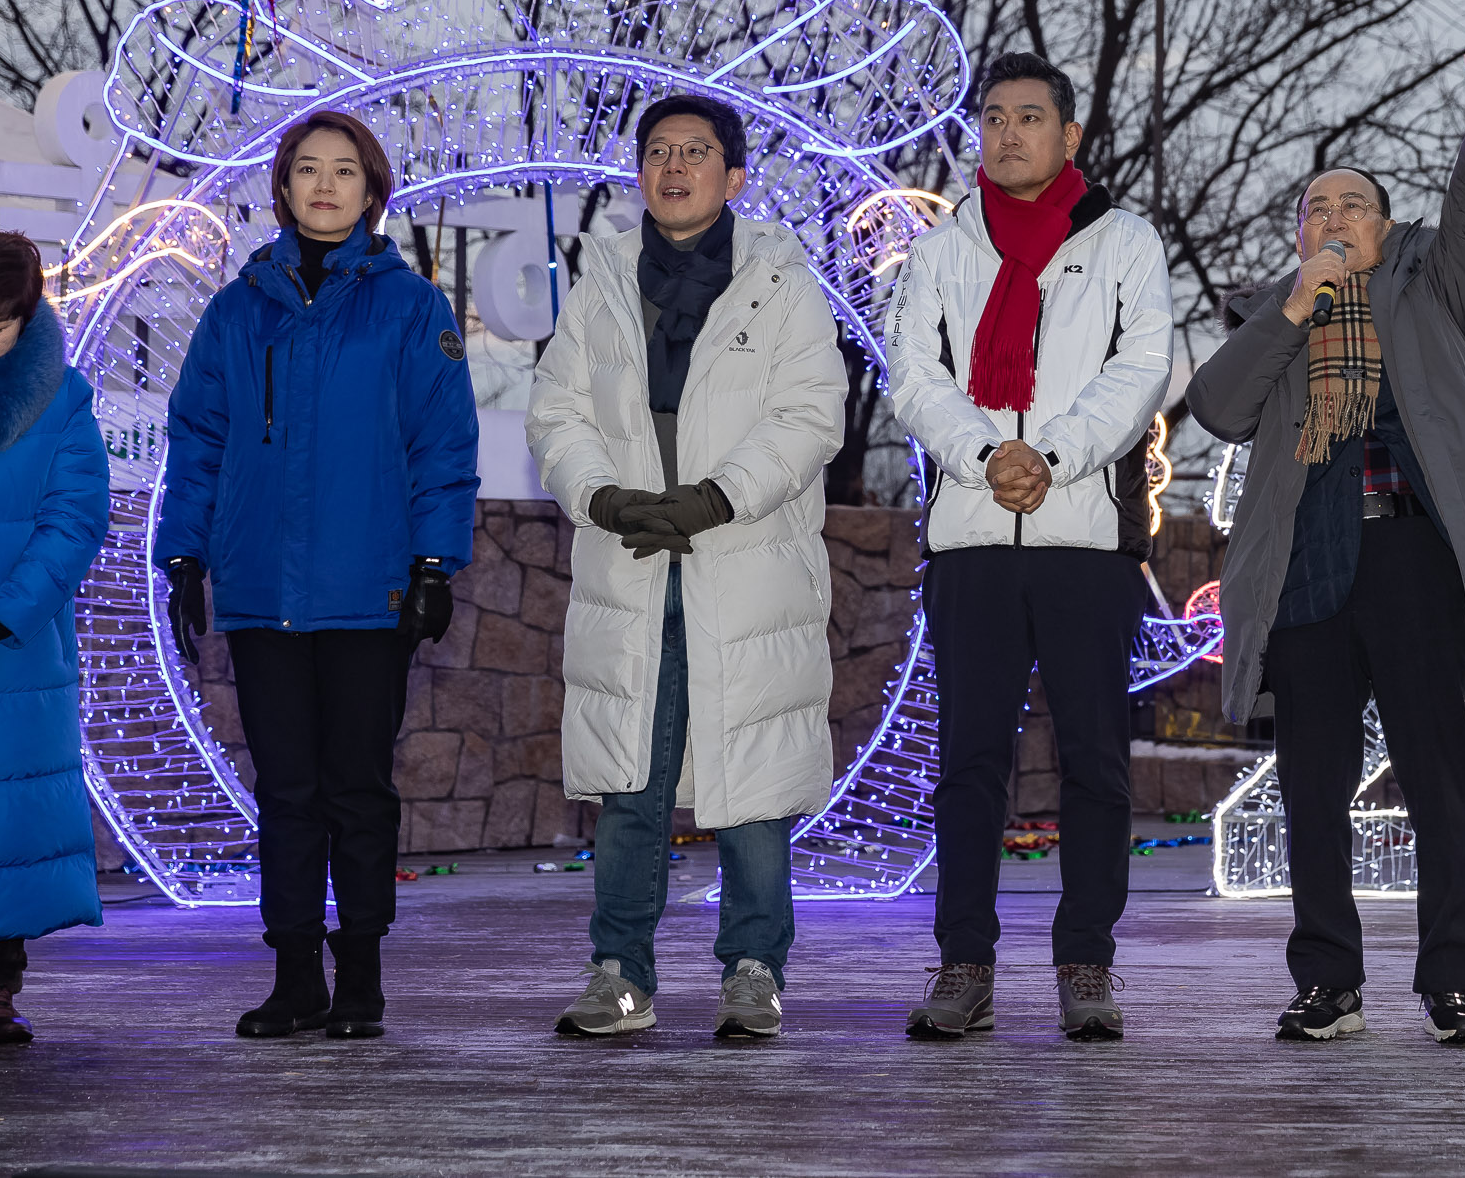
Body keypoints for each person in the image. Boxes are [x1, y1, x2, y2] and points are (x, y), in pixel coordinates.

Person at [1186, 18, 1465, 1046]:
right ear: (1298, 234)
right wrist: (1292, 309)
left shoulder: (1426, 288)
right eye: (1318, 206)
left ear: (1389, 228)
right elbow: (1216, 406)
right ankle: (1327, 980)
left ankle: (1451, 979)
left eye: (1355, 202)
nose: (1336, 214)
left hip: (1410, 555)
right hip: (1308, 566)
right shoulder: (1278, 310)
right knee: (1310, 788)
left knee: (1436, 775)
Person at [528, 94, 846, 1041]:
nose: (675, 167)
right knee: (631, 782)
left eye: (696, 152)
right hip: (630, 565)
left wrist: (716, 497)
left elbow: (810, 415)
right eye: (658, 151)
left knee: (751, 778)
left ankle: (755, 968)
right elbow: (557, 414)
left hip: (743, 563)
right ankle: (620, 971)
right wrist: (604, 496)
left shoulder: (782, 283)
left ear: (734, 176)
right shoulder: (600, 282)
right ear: (640, 174)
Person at [158, 111, 479, 1040]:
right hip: (262, 594)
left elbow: (443, 445)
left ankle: (363, 975)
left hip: (367, 593)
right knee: (286, 790)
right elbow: (200, 439)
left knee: (357, 788)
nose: (325, 185)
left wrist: (432, 563)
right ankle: (294, 971)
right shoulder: (235, 309)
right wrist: (183, 553)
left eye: (345, 171)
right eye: (307, 169)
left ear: (373, 191)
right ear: (284, 187)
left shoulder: (412, 308)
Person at [884, 52, 1171, 1041]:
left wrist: (1048, 455)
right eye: (994, 117)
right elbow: (911, 373)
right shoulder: (943, 248)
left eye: (1029, 116)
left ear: (1069, 135)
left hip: (1084, 539)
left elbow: (1142, 368)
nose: (1008, 133)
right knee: (969, 760)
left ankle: (1086, 960)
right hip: (972, 536)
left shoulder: (1124, 240)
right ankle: (964, 960)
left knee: (1095, 759)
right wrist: (981, 455)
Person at [0, 233, 111, 1045]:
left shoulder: (62, 399)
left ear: (26, 316)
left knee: (4, 816)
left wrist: (3, 611)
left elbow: (75, 516)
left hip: (13, 647)